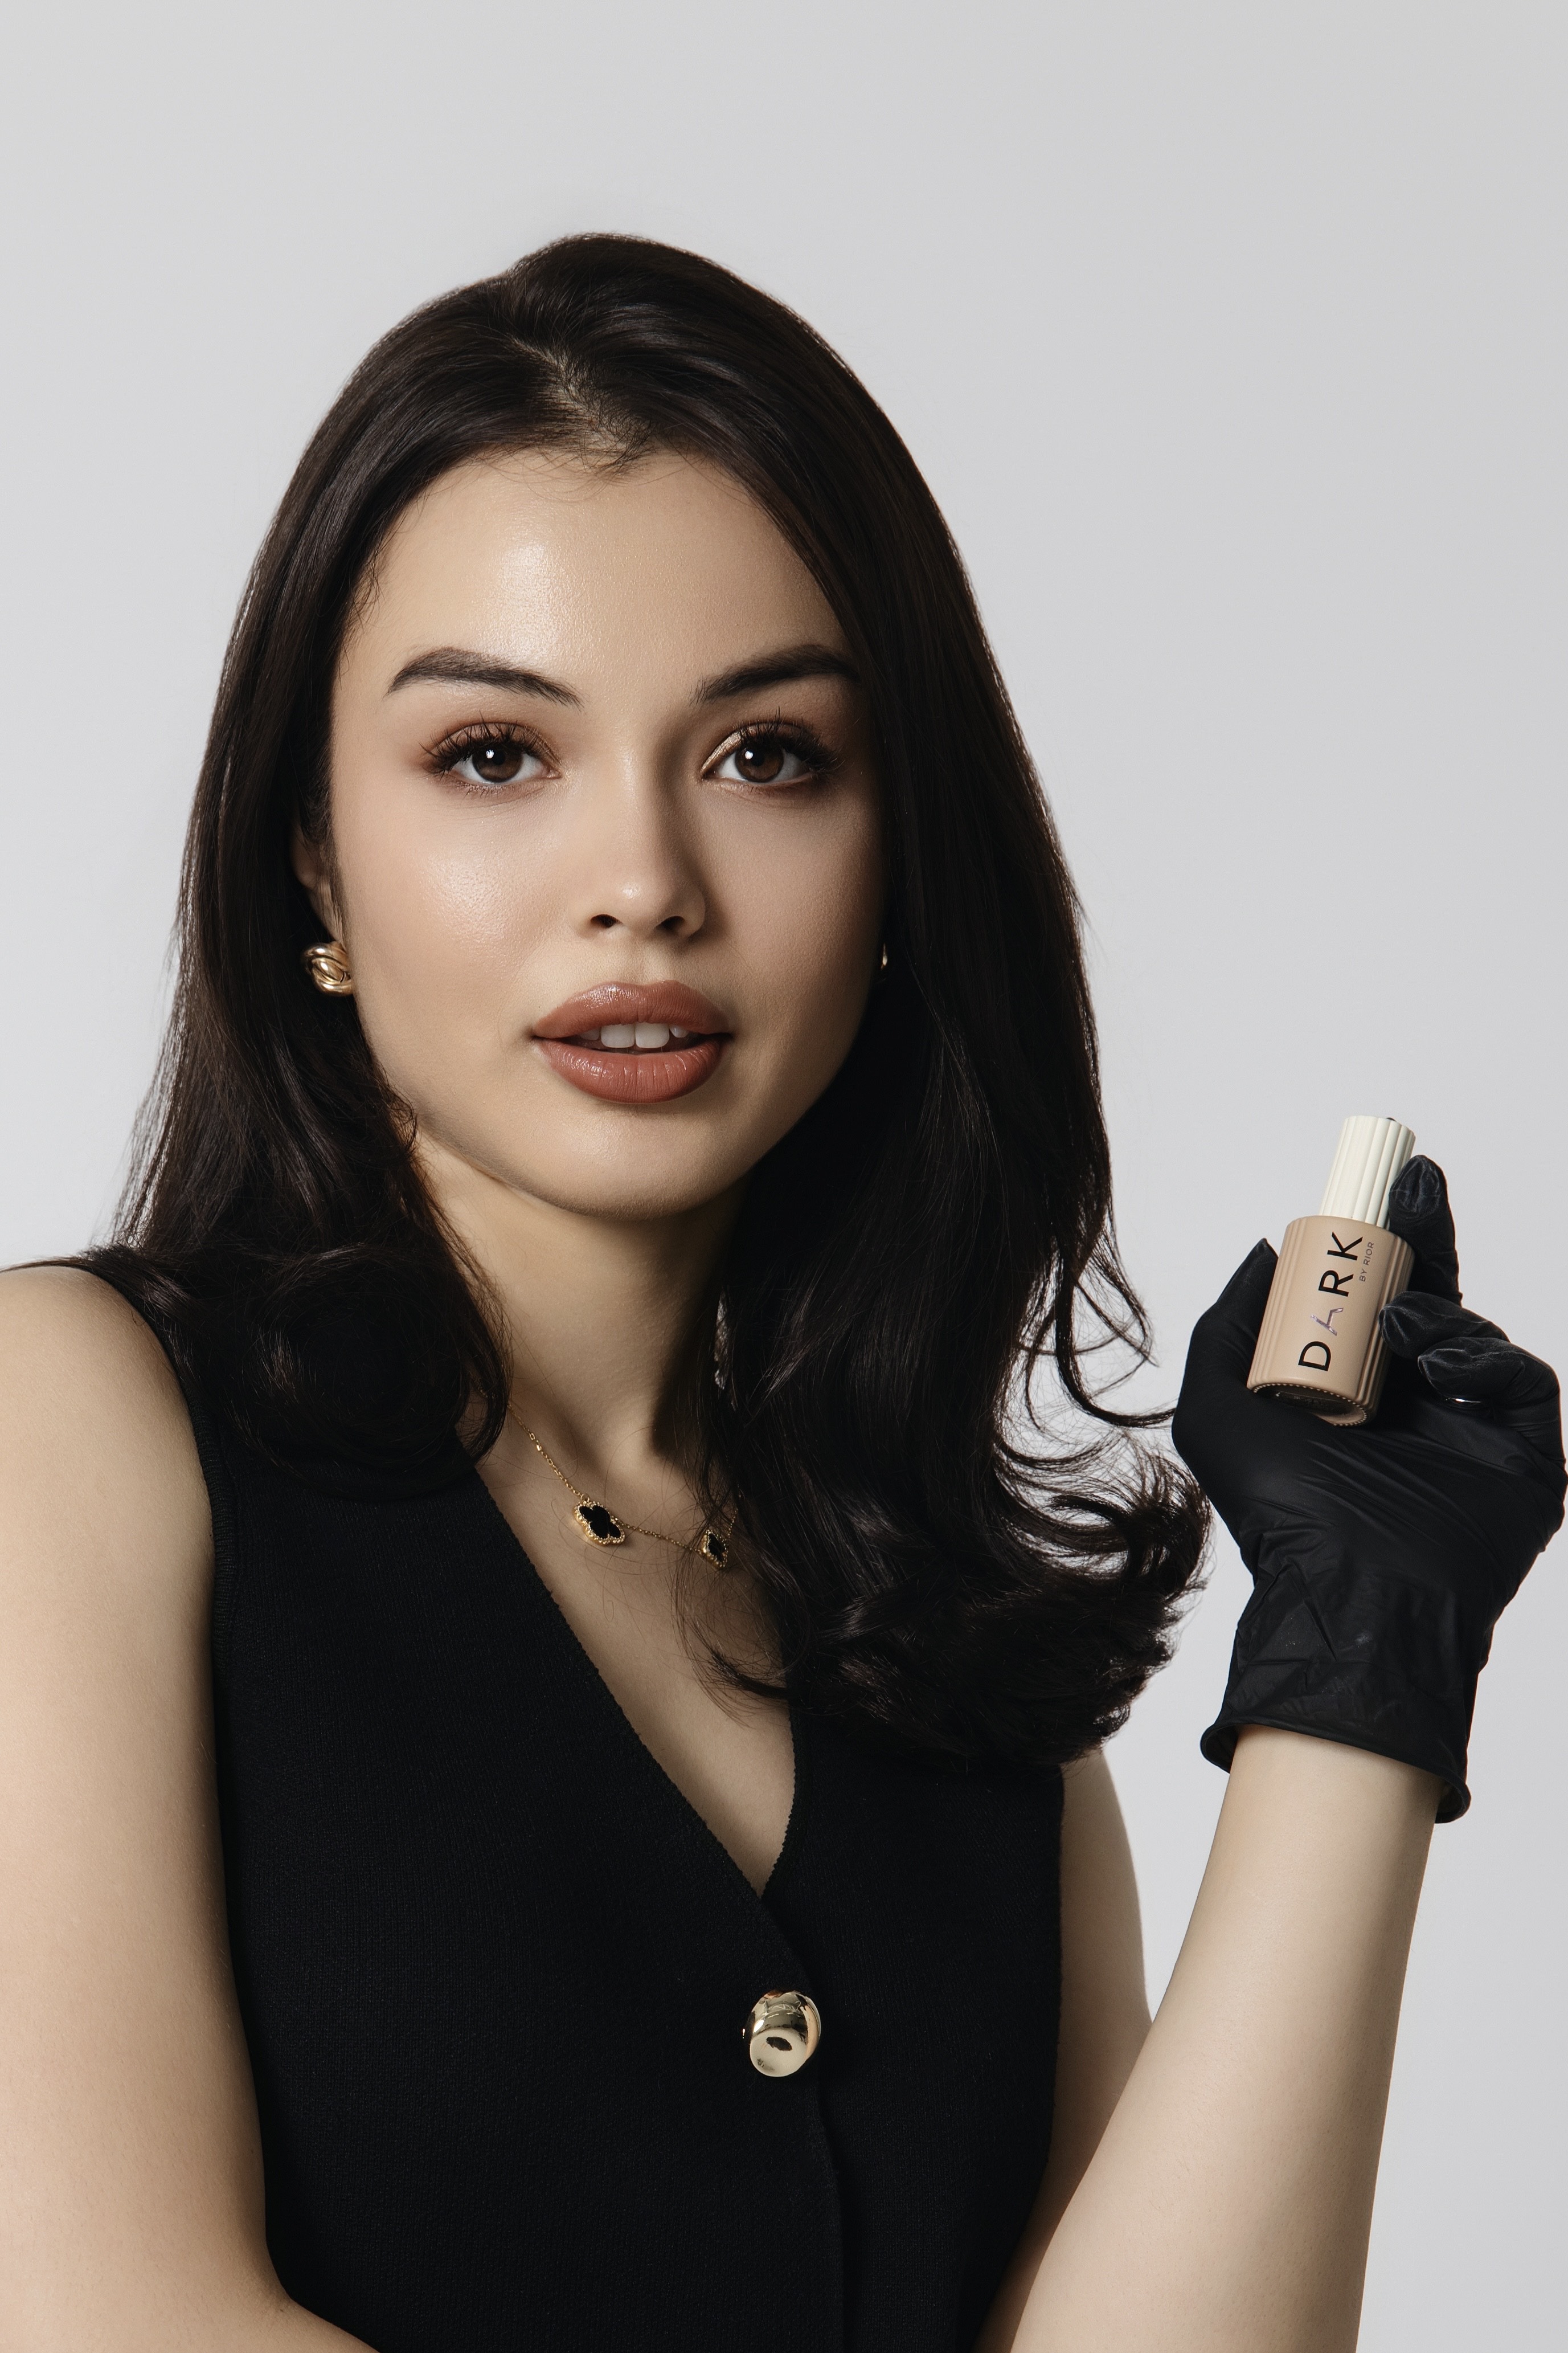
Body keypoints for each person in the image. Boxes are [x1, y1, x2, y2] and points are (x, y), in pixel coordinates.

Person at [0, 236, 1558, 2353]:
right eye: (492, 755)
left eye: (766, 757)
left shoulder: (969, 1683)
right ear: (308, 855)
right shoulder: (69, 1428)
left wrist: (1355, 1679)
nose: (641, 875)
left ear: (903, 858)